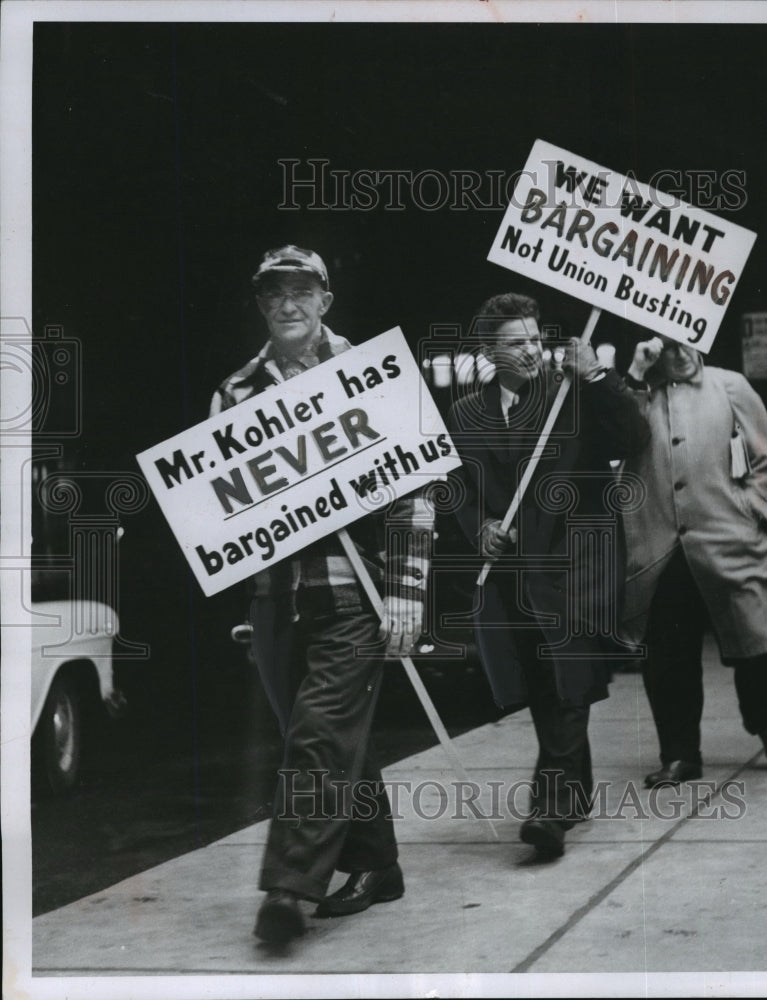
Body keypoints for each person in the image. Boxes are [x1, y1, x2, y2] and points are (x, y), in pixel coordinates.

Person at [211, 246, 433, 944]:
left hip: (352, 594)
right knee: (327, 738)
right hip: (277, 600)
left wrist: (405, 592)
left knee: (314, 740)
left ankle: (288, 891)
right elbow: (225, 507)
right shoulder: (234, 393)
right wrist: (251, 605)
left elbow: (413, 491)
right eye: (274, 293)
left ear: (325, 299)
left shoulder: (371, 374)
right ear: (259, 303)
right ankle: (379, 866)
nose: (288, 304)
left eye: (301, 290)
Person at [446, 293, 650, 858]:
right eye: (517, 343)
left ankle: (550, 809)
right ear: (489, 350)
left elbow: (634, 439)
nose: (533, 351)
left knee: (567, 681)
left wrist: (599, 376)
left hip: (575, 568)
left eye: (537, 340)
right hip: (513, 577)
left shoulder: (571, 395)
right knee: (544, 687)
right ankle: (576, 790)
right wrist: (480, 526)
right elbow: (457, 489)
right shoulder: (464, 415)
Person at [621, 335, 767, 788]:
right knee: (668, 659)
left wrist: (755, 509)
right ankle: (680, 754)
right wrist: (636, 376)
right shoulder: (639, 395)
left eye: (683, 340)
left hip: (729, 537)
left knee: (756, 641)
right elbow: (616, 439)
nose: (674, 350)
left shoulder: (730, 386)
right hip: (663, 547)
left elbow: (766, 458)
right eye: (663, 341)